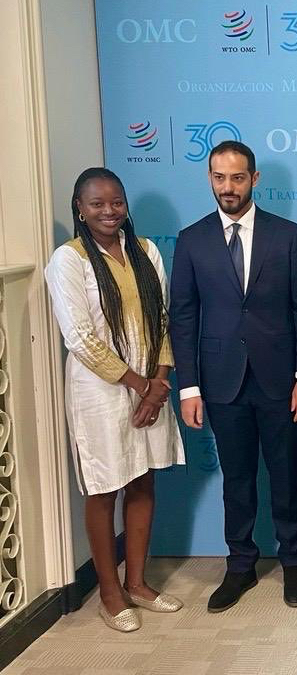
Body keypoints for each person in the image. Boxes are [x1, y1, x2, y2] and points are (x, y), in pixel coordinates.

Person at [168, 140, 297, 612]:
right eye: (219, 177)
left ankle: (294, 562)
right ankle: (240, 564)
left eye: (237, 177)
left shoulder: (288, 235)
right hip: (221, 382)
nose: (228, 187)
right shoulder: (192, 240)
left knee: (287, 475)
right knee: (236, 478)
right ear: (210, 179)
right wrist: (189, 388)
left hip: (281, 380)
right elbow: (184, 318)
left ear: (254, 179)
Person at [44, 167, 185, 632]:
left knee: (143, 480)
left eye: (117, 202)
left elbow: (163, 320)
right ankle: (109, 592)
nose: (109, 212)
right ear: (79, 209)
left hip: (150, 385)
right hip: (100, 392)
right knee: (105, 486)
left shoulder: (144, 251)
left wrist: (159, 382)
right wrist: (142, 386)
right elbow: (81, 339)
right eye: (97, 204)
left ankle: (138, 583)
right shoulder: (68, 260)